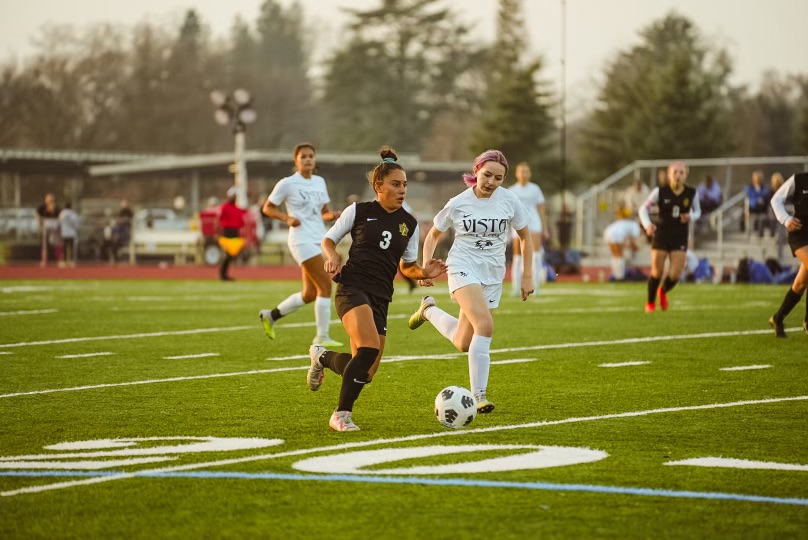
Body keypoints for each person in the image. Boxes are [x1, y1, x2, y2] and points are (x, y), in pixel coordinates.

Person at [307, 146, 448, 431]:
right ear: (378, 186)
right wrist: (333, 256)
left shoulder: (409, 223)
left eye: (405, 185)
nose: (402, 190)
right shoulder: (358, 211)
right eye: (396, 184)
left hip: (381, 296)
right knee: (369, 348)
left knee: (366, 372)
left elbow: (406, 266)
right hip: (352, 287)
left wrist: (422, 271)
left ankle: (321, 356)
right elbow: (328, 240)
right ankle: (341, 415)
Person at [408, 149, 534, 414]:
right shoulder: (458, 202)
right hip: (462, 267)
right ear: (476, 171)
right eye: (487, 175)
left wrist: (527, 275)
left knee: (464, 342)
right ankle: (479, 396)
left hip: (493, 274)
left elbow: (525, 237)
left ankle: (428, 310)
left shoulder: (510, 201)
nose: (491, 182)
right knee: (485, 326)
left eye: (498, 178)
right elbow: (433, 235)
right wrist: (425, 266)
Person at [259, 143, 344, 347]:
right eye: (303, 156)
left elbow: (323, 212)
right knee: (325, 285)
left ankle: (270, 315)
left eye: (311, 156)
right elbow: (267, 208)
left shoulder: (319, 182)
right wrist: (287, 219)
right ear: (296, 161)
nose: (308, 159)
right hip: (301, 240)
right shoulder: (287, 183)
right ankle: (321, 337)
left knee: (310, 294)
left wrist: (334, 215)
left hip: (318, 238)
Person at [639, 161, 701, 313]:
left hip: (680, 236)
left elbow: (698, 211)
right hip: (662, 234)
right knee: (656, 272)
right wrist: (647, 225)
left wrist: (690, 216)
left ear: (686, 175)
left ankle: (663, 291)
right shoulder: (659, 192)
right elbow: (643, 209)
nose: (678, 176)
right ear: (669, 174)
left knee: (675, 274)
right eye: (675, 172)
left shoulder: (692, 193)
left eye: (681, 173)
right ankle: (650, 304)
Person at [768, 171, 808, 338]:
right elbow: (776, 199)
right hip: (800, 234)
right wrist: (786, 219)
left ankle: (778, 318)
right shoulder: (799, 179)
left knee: (800, 284)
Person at [507, 162, 547, 297]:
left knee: (535, 256)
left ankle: (535, 286)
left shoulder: (535, 189)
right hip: (517, 224)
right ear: (516, 174)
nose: (524, 174)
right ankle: (516, 286)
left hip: (534, 223)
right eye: (521, 171)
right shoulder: (512, 190)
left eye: (526, 171)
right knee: (518, 257)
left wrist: (545, 228)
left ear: (530, 174)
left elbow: (541, 210)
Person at [216, 186, 248, 281]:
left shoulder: (237, 209)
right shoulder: (224, 207)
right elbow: (218, 221)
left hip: (234, 233)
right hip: (226, 233)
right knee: (227, 255)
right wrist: (217, 233)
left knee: (231, 255)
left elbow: (241, 222)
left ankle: (224, 274)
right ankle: (223, 274)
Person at [602, 216, 642, 281]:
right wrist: (635, 248)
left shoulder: (628, 223)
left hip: (607, 231)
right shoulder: (636, 226)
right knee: (619, 255)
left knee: (615, 255)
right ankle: (620, 277)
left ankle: (616, 275)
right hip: (617, 234)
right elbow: (632, 240)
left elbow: (627, 242)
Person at [35, 193, 62, 267]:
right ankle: (44, 260)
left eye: (52, 200)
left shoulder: (56, 207)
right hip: (46, 224)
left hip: (54, 224)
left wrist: (59, 222)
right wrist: (40, 222)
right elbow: (37, 213)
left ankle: (59, 260)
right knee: (44, 244)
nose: (50, 201)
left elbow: (60, 214)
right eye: (49, 200)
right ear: (46, 200)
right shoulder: (42, 207)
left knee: (57, 243)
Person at [745, 170, 771, 238]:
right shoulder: (750, 188)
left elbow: (765, 196)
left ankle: (760, 234)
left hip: (762, 209)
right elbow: (749, 197)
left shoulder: (764, 188)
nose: (757, 180)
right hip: (752, 208)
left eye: (759, 178)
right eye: (756, 178)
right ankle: (750, 234)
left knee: (762, 218)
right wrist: (757, 200)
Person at [58, 202, 80, 268]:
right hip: (72, 233)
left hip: (64, 233)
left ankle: (65, 261)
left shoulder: (62, 214)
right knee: (71, 247)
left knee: (65, 247)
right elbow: (76, 223)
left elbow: (59, 222)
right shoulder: (73, 214)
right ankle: (72, 261)